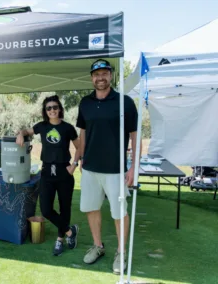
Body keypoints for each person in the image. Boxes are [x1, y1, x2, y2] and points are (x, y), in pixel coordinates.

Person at [74, 59, 140, 274]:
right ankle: (98, 246)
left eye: (104, 73)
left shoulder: (125, 103)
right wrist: (81, 158)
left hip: (116, 169)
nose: (100, 78)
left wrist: (133, 168)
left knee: (119, 212)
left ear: (111, 75)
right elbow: (83, 132)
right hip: (90, 168)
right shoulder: (85, 103)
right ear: (91, 77)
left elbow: (135, 136)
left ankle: (121, 252)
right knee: (91, 208)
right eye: (96, 74)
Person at [16, 95, 81, 256]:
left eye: (55, 107)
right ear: (45, 111)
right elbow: (26, 131)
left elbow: (80, 147)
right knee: (46, 210)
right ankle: (70, 232)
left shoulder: (67, 128)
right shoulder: (42, 126)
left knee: (65, 208)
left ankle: (60, 240)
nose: (52, 110)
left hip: (64, 172)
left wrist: (74, 165)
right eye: (49, 108)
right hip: (46, 173)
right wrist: (20, 134)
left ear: (60, 109)